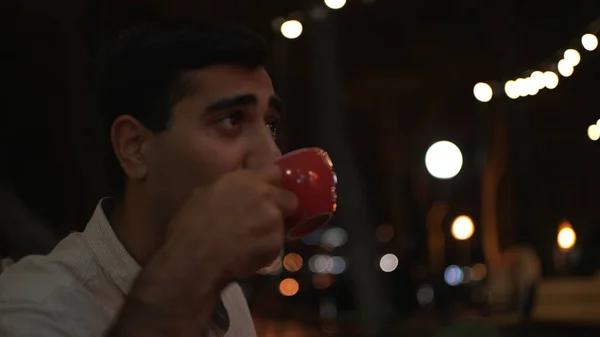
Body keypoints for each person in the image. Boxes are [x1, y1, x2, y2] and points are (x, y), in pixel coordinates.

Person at [0, 19, 298, 337]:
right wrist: (191, 271)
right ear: (135, 148)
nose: (273, 159)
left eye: (270, 125)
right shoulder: (28, 307)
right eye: (231, 120)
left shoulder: (225, 294)